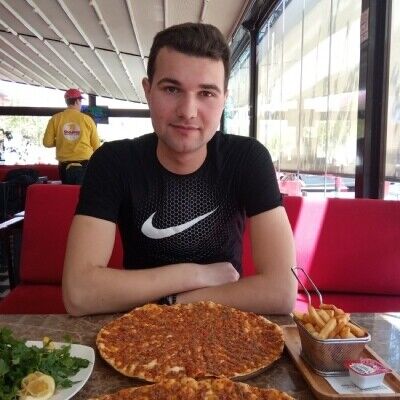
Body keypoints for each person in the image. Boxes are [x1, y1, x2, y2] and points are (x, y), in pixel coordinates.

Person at [62, 23, 297, 316]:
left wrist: (176, 302)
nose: (188, 111)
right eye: (172, 89)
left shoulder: (247, 159)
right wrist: (195, 274)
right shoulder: (114, 161)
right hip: (137, 330)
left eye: (206, 93)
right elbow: (79, 293)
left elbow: (281, 291)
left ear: (224, 99)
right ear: (148, 91)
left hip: (224, 329)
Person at [43, 89, 101, 184]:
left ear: (66, 101)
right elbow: (97, 147)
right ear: (77, 101)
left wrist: (62, 140)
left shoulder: (55, 118)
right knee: (84, 191)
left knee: (68, 191)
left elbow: (47, 143)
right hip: (85, 164)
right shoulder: (88, 119)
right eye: (80, 101)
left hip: (64, 165)